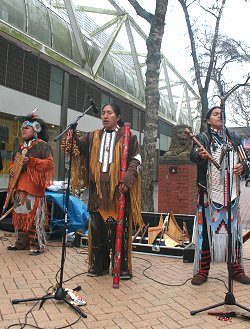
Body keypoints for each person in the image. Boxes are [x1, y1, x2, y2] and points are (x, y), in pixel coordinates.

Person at [63, 103, 143, 278]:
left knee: (119, 232)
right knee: (97, 230)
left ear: (118, 117)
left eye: (110, 113)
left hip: (118, 193)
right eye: (103, 113)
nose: (105, 116)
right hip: (97, 194)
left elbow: (137, 159)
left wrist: (127, 179)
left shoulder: (128, 137)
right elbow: (79, 149)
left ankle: (121, 266)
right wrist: (73, 135)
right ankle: (99, 265)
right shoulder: (93, 136)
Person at [190, 106, 250, 285]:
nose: (219, 116)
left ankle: (236, 269)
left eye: (221, 114)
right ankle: (202, 270)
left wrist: (244, 167)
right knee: (206, 234)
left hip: (230, 195)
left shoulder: (233, 138)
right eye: (215, 114)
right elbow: (192, 156)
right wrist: (200, 154)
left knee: (234, 234)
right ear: (208, 120)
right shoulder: (203, 138)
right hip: (209, 194)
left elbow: (245, 159)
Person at [7, 111, 54, 255]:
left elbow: (49, 164)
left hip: (34, 188)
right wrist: (12, 170)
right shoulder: (19, 147)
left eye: (27, 127)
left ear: (36, 129)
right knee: (20, 216)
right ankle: (21, 243)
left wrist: (32, 161)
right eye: (22, 128)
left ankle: (37, 245)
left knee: (34, 218)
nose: (23, 129)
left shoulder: (42, 146)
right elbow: (12, 164)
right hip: (19, 188)